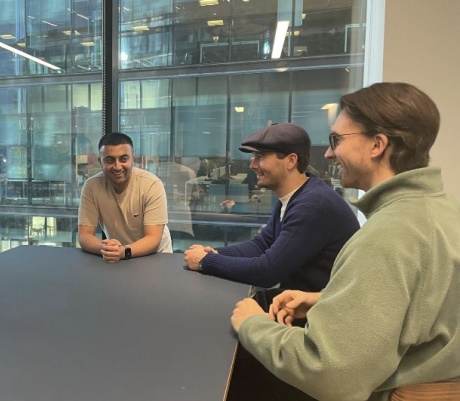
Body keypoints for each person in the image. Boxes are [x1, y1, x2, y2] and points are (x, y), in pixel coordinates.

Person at [231, 82, 460, 400]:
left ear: (377, 144)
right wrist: (326, 300)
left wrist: (253, 324)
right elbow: (424, 309)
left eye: (336, 140)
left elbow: (328, 373)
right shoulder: (445, 210)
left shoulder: (386, 235)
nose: (328, 153)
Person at [183, 123, 359, 292]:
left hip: (312, 314)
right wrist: (213, 252)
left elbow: (267, 272)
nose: (253, 165)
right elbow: (262, 244)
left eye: (261, 157)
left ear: (291, 160)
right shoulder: (294, 196)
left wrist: (206, 261)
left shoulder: (311, 206)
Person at [78, 132, 172, 262]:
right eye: (110, 160)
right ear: (100, 161)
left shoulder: (151, 184)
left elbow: (153, 239)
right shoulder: (91, 187)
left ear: (132, 159)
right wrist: (105, 248)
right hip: (118, 257)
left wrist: (123, 251)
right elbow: (84, 235)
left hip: (155, 257)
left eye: (123, 159)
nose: (117, 166)